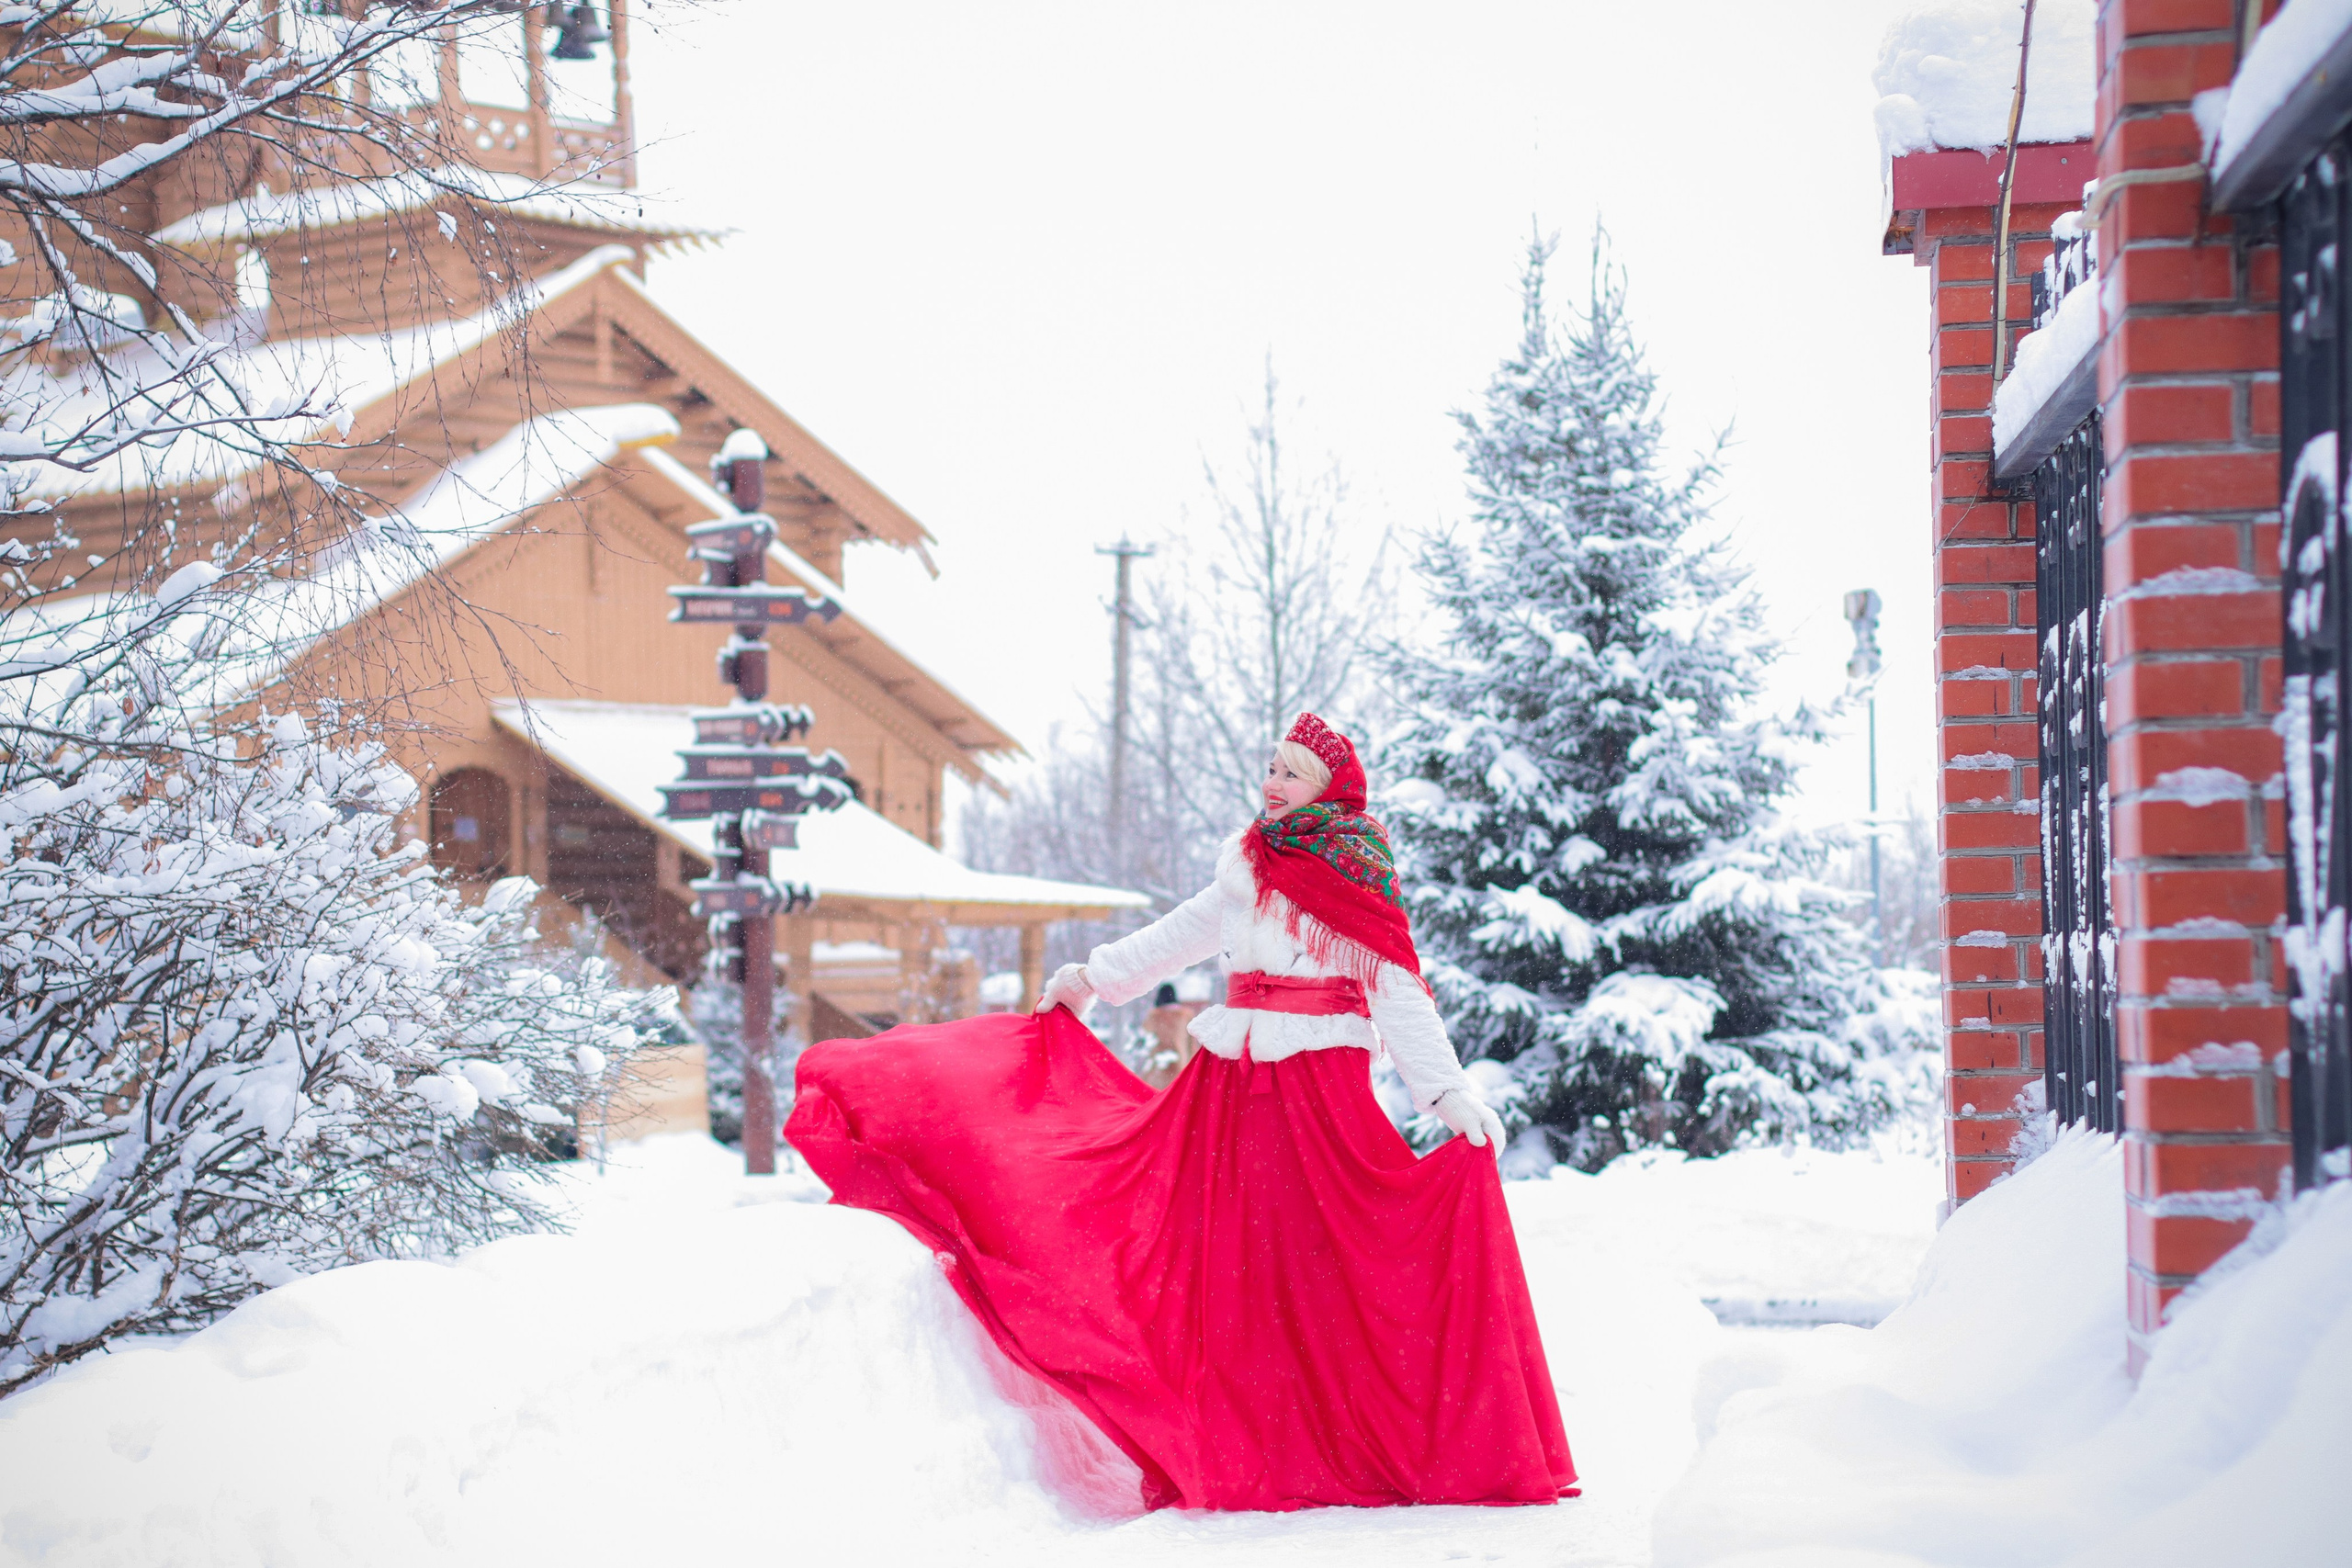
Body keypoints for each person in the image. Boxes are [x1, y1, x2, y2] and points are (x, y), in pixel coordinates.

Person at [786, 713, 1577, 1512]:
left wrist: (1446, 1094)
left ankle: (1357, 1439)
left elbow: (1398, 991)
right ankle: (1248, 1440)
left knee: (1332, 1268)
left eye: (1293, 772)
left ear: (1328, 788)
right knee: (1220, 1267)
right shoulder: (1248, 863)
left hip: (1319, 1099)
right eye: (1272, 766)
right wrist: (1092, 979)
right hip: (1229, 1097)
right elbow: (1175, 936)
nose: (1273, 782)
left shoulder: (1355, 875)